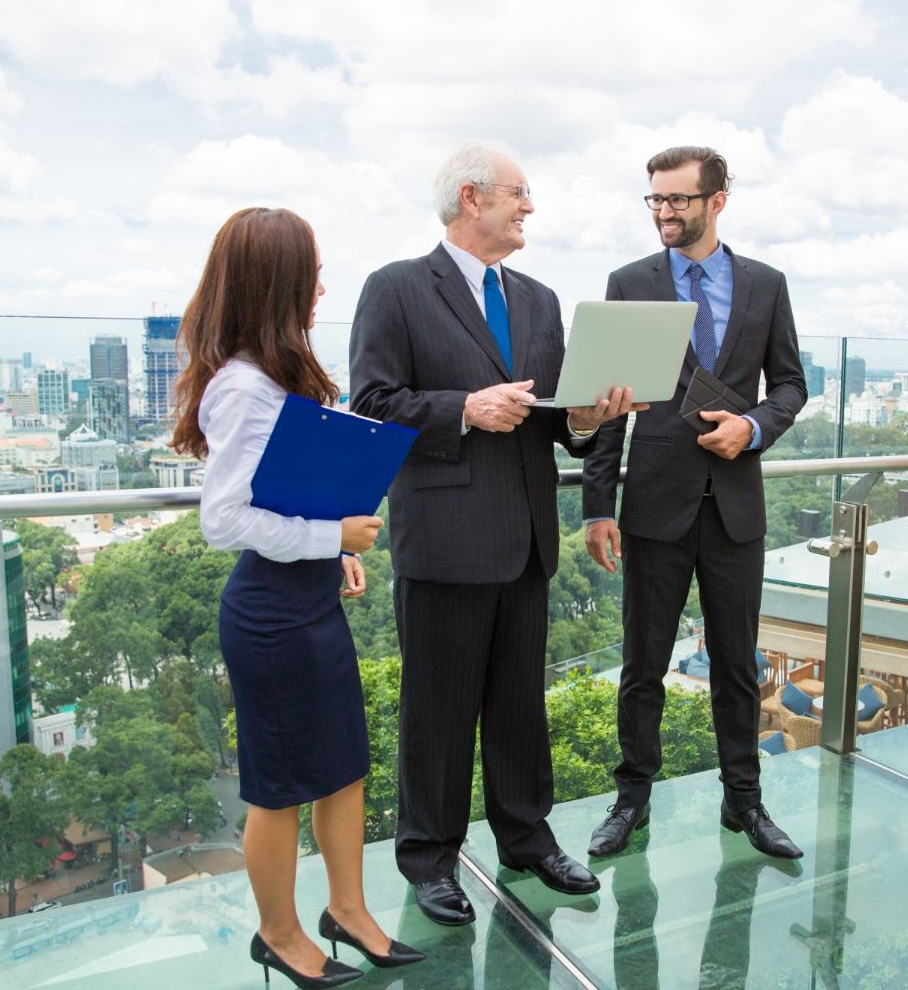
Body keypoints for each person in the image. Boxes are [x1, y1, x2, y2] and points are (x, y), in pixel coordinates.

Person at [350, 143, 638, 925]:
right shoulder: (397, 289)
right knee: (436, 712)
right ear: (471, 198)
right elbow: (371, 401)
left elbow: (559, 423)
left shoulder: (541, 301)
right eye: (519, 194)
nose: (530, 208)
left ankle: (527, 839)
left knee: (519, 706)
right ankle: (430, 859)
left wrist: (588, 418)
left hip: (526, 541)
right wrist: (463, 409)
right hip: (443, 540)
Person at [175, 208, 424, 988]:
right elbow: (224, 520)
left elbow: (283, 490)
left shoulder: (272, 374)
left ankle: (346, 911)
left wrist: (329, 548)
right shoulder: (243, 388)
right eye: (310, 273)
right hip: (270, 616)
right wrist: (330, 539)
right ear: (275, 284)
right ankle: (278, 934)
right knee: (279, 789)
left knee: (343, 768)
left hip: (306, 599)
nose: (321, 287)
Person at [583, 146, 808, 860]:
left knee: (738, 665)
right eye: (654, 200)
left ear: (718, 201)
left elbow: (792, 387)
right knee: (642, 663)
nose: (664, 213)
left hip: (735, 504)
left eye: (677, 200)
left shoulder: (766, 285)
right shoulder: (629, 282)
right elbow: (607, 400)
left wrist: (755, 428)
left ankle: (744, 803)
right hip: (654, 504)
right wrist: (597, 504)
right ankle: (631, 802)